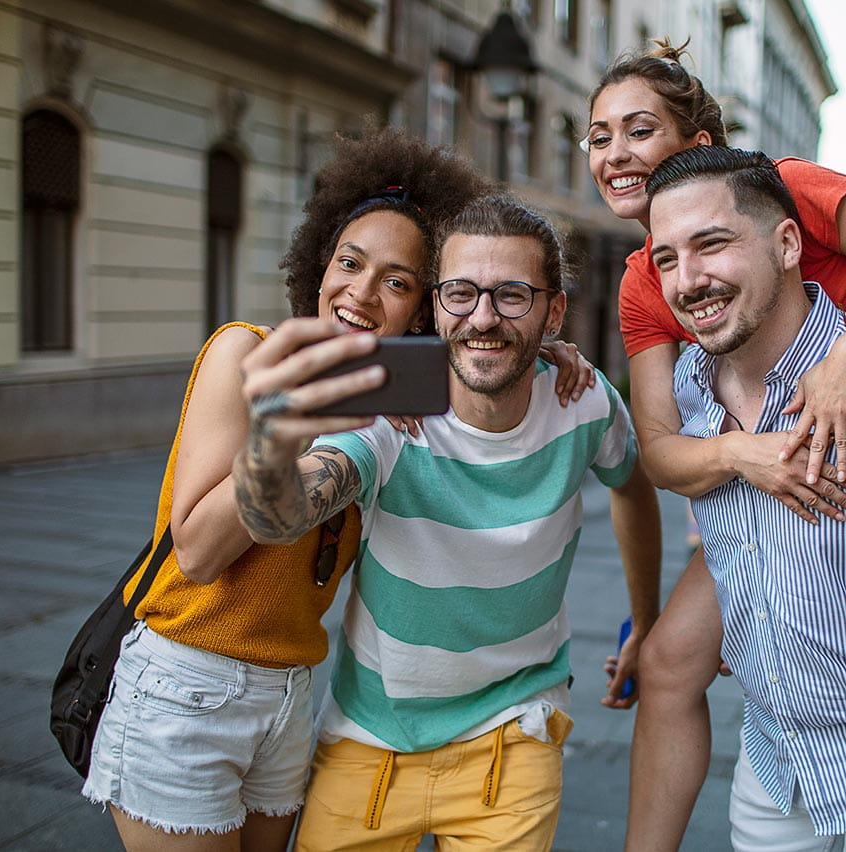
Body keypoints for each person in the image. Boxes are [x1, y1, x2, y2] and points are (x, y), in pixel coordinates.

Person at [79, 130, 494, 852]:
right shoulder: (246, 352)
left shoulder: (390, 404)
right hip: (186, 688)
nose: (361, 293)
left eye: (396, 281)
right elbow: (201, 551)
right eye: (350, 262)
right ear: (319, 264)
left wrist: (549, 350)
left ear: (423, 310)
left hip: (290, 695)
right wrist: (300, 420)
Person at [233, 195, 662, 852]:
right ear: (435, 305)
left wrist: (646, 620)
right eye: (460, 293)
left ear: (555, 310)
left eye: (512, 295)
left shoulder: (585, 401)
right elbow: (281, 514)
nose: (483, 318)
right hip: (367, 743)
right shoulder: (392, 416)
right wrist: (268, 438)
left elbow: (632, 485)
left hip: (513, 734)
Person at [583, 41, 846, 852]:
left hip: (822, 386)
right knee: (666, 663)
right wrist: (742, 456)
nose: (616, 154)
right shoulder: (643, 283)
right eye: (598, 137)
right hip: (746, 480)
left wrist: (843, 363)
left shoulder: (786, 186)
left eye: (638, 130)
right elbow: (664, 449)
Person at [646, 145, 846, 851]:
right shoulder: (688, 391)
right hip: (779, 757)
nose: (687, 280)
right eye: (666, 258)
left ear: (788, 242)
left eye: (711, 244)